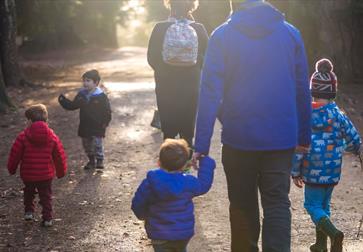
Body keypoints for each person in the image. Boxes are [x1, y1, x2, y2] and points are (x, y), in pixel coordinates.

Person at [193, 0, 312, 251]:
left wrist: (201, 144)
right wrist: (303, 137)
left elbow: (209, 91)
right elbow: (302, 89)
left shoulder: (221, 36)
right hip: (281, 139)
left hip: (239, 138)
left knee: (242, 204)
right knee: (277, 202)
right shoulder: (290, 33)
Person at [291, 59, 362, 252]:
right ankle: (321, 244)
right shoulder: (338, 114)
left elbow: (300, 147)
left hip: (312, 172)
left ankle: (333, 233)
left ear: (312, 91)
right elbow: (354, 137)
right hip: (332, 171)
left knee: (311, 205)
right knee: (324, 204)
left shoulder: (304, 116)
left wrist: (295, 172)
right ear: (333, 91)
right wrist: (357, 149)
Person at [131, 139, 215, 252]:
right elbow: (203, 185)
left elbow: (138, 203)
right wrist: (205, 161)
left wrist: (143, 216)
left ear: (159, 162)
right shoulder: (188, 182)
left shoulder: (151, 182)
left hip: (159, 233)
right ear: (184, 166)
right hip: (182, 233)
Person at [147, 0, 209, 148]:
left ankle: (169, 163)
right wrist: (195, 69)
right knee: (187, 125)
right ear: (191, 7)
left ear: (170, 6)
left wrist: (163, 70)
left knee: (168, 126)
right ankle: (186, 162)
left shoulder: (160, 28)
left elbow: (151, 57)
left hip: (165, 83)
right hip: (191, 83)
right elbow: (208, 57)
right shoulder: (199, 28)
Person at [7, 104, 67, 227]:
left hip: (28, 174)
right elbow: (59, 155)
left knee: (28, 192)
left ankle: (29, 212)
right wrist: (61, 172)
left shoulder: (23, 136)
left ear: (29, 121)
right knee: (46, 196)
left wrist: (11, 169)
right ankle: (47, 218)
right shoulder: (52, 136)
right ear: (46, 120)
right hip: (46, 175)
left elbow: (15, 154)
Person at [58, 69, 111, 170]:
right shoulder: (81, 95)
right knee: (86, 144)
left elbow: (107, 111)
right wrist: (63, 101)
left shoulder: (101, 96)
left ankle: (99, 160)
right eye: (84, 80)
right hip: (85, 125)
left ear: (96, 82)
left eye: (88, 80)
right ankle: (91, 160)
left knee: (97, 144)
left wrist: (105, 122)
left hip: (98, 125)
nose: (85, 83)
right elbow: (73, 105)